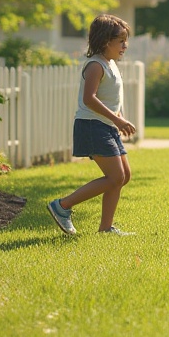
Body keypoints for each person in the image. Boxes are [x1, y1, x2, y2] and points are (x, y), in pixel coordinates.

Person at [47, 14, 137, 236]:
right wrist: (117, 120)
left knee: (123, 176)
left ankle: (106, 228)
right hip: (91, 125)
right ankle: (62, 206)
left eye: (126, 40)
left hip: (106, 126)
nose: (125, 45)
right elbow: (89, 99)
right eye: (121, 41)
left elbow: (112, 98)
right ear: (106, 41)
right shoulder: (95, 65)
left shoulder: (111, 64)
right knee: (115, 177)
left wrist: (119, 119)